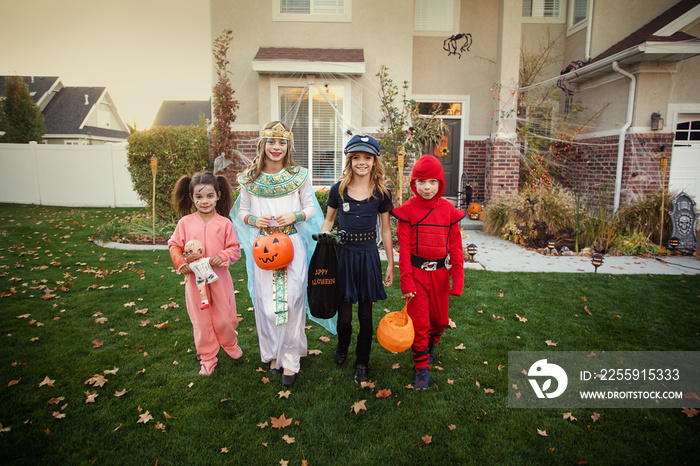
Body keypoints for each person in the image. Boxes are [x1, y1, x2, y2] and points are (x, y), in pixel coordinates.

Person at [232, 121, 327, 387]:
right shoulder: (250, 179)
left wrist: (294, 215)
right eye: (272, 142)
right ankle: (274, 353)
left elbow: (310, 207)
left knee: (293, 300)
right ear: (263, 144)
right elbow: (241, 212)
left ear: (288, 146)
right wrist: (253, 219)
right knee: (268, 305)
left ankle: (291, 359)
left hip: (292, 243)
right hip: (263, 246)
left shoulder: (300, 175)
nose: (277, 148)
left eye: (282, 142)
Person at [321, 134, 394, 385]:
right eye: (356, 158)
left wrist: (391, 264)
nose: (361, 162)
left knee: (365, 317)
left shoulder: (382, 193)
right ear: (349, 160)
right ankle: (342, 344)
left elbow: (385, 230)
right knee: (343, 317)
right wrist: (324, 239)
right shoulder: (338, 189)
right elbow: (329, 221)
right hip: (344, 256)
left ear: (375, 161)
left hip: (367, 258)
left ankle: (362, 361)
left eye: (367, 157)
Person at [391, 154, 465, 389]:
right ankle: (421, 365)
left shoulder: (448, 210)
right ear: (414, 184)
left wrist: (458, 280)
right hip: (416, 273)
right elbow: (403, 249)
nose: (427, 187)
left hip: (441, 275)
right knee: (420, 322)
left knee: (440, 321)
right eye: (421, 182)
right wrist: (407, 282)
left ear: (440, 183)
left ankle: (431, 344)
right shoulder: (407, 211)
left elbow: (456, 247)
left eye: (432, 182)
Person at [168, 172, 242, 376]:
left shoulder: (225, 224)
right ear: (191, 198)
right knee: (201, 320)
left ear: (218, 195)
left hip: (220, 279)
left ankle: (229, 341)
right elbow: (174, 245)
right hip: (195, 282)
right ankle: (208, 357)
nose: (204, 201)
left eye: (209, 196)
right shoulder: (185, 223)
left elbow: (235, 249)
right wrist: (181, 262)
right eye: (199, 197)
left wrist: (223, 255)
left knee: (225, 318)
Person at [183, 238, 229, 310]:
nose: (188, 254)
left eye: (191, 251)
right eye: (186, 252)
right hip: (200, 278)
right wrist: (186, 277)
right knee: (201, 291)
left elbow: (214, 263)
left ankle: (220, 304)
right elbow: (187, 272)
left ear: (201, 250)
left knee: (218, 291)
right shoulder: (192, 265)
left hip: (210, 275)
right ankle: (204, 303)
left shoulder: (206, 260)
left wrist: (223, 263)